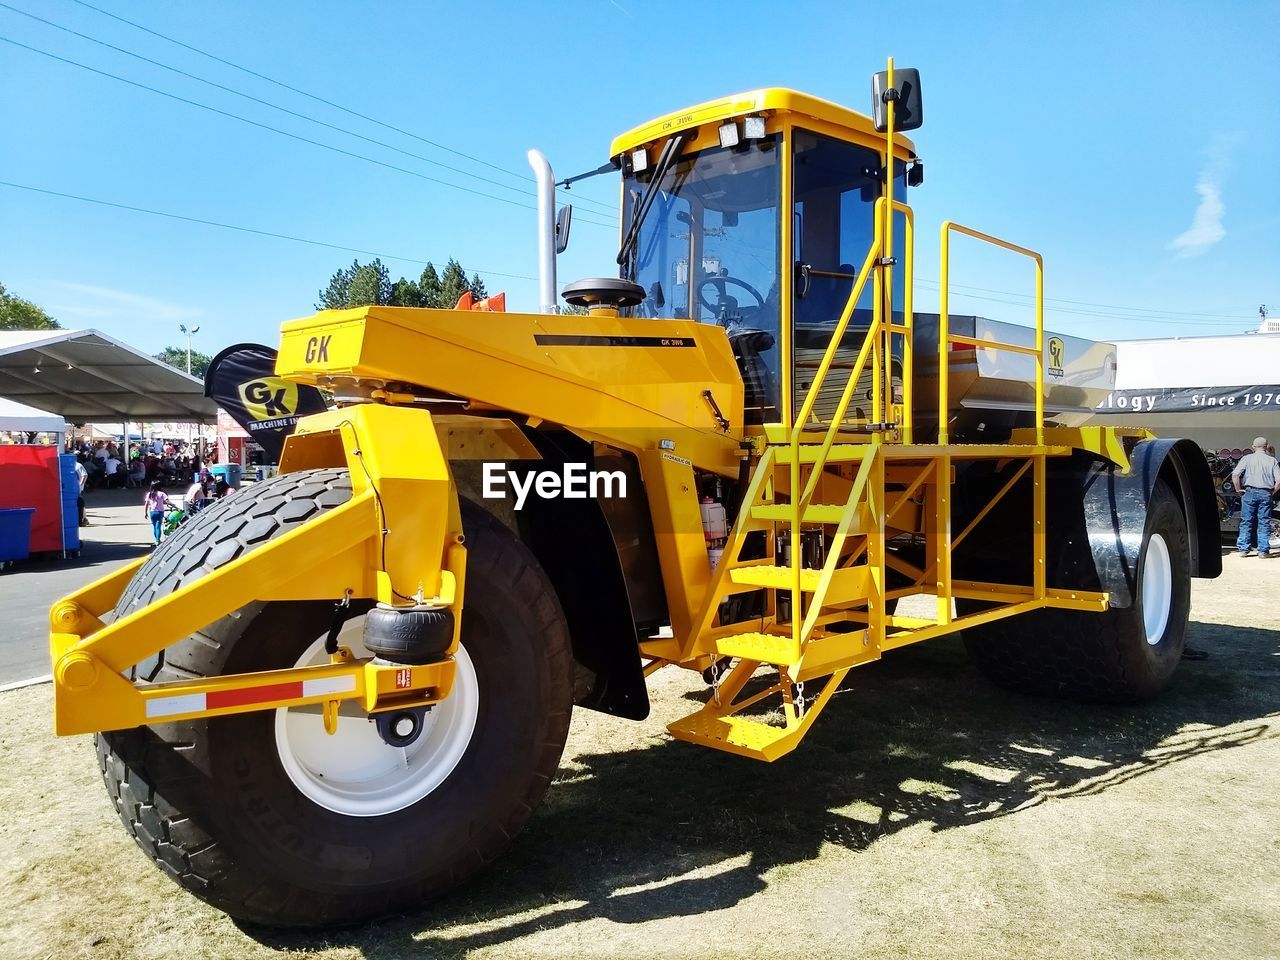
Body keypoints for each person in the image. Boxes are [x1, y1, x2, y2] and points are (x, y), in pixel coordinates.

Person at [1232, 436, 1280, 558]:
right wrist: (1271, 492)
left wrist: (1238, 489)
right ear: (1266, 447)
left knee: (1246, 521)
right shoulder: (1272, 460)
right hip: (1266, 493)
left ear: (1253, 447)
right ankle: (1263, 551)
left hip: (1249, 492)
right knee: (1264, 522)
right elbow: (1278, 481)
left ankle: (1243, 549)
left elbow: (1235, 475)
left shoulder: (1246, 459)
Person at [143, 481, 172, 546]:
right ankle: (158, 541)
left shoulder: (149, 494)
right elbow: (167, 501)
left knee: (154, 527)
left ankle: (156, 539)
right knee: (158, 527)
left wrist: (145, 513)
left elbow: (146, 504)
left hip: (152, 512)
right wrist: (174, 505)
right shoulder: (162, 493)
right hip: (160, 512)